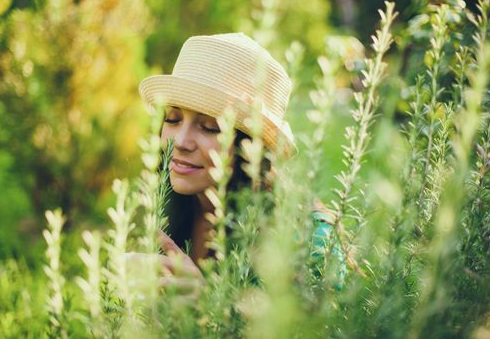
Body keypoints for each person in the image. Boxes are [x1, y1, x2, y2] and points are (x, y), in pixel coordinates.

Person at [134, 33, 344, 298]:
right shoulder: (165, 207)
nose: (181, 142)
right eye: (173, 119)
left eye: (210, 127)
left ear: (251, 147)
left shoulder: (309, 236)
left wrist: (207, 306)